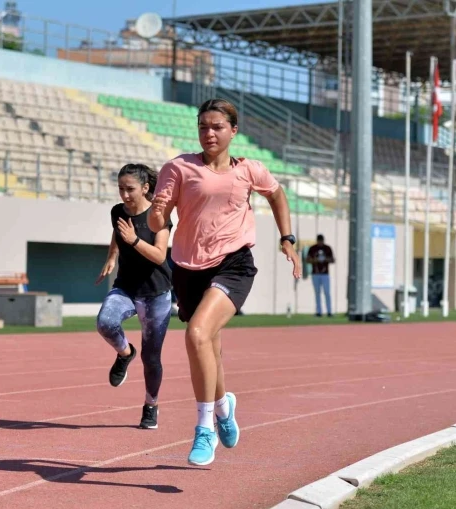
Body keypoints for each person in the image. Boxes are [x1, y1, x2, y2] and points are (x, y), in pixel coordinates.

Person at [148, 98, 301, 466]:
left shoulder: (250, 169)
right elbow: (158, 224)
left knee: (197, 334)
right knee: (210, 347)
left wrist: (287, 238)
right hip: (188, 265)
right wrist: (156, 214)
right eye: (203, 126)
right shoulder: (178, 167)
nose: (209, 133)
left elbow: (277, 194)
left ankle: (204, 429)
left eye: (217, 126)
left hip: (234, 263)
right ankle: (223, 406)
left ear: (234, 130)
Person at [95, 163, 174, 430]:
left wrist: (133, 241)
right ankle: (125, 353)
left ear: (145, 188)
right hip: (126, 288)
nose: (124, 195)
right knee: (105, 322)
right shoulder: (117, 211)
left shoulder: (159, 215)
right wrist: (112, 255)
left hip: (156, 293)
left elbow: (160, 255)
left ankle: (151, 406)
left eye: (130, 189)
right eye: (120, 189)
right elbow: (117, 233)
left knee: (151, 358)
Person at [306, 234, 335, 317]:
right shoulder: (313, 248)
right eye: (319, 241)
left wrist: (325, 259)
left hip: (325, 274)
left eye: (321, 241)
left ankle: (329, 311)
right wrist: (315, 260)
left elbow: (332, 259)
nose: (320, 242)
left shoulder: (327, 248)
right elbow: (307, 259)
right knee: (317, 293)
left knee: (327, 292)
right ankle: (319, 311)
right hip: (315, 273)